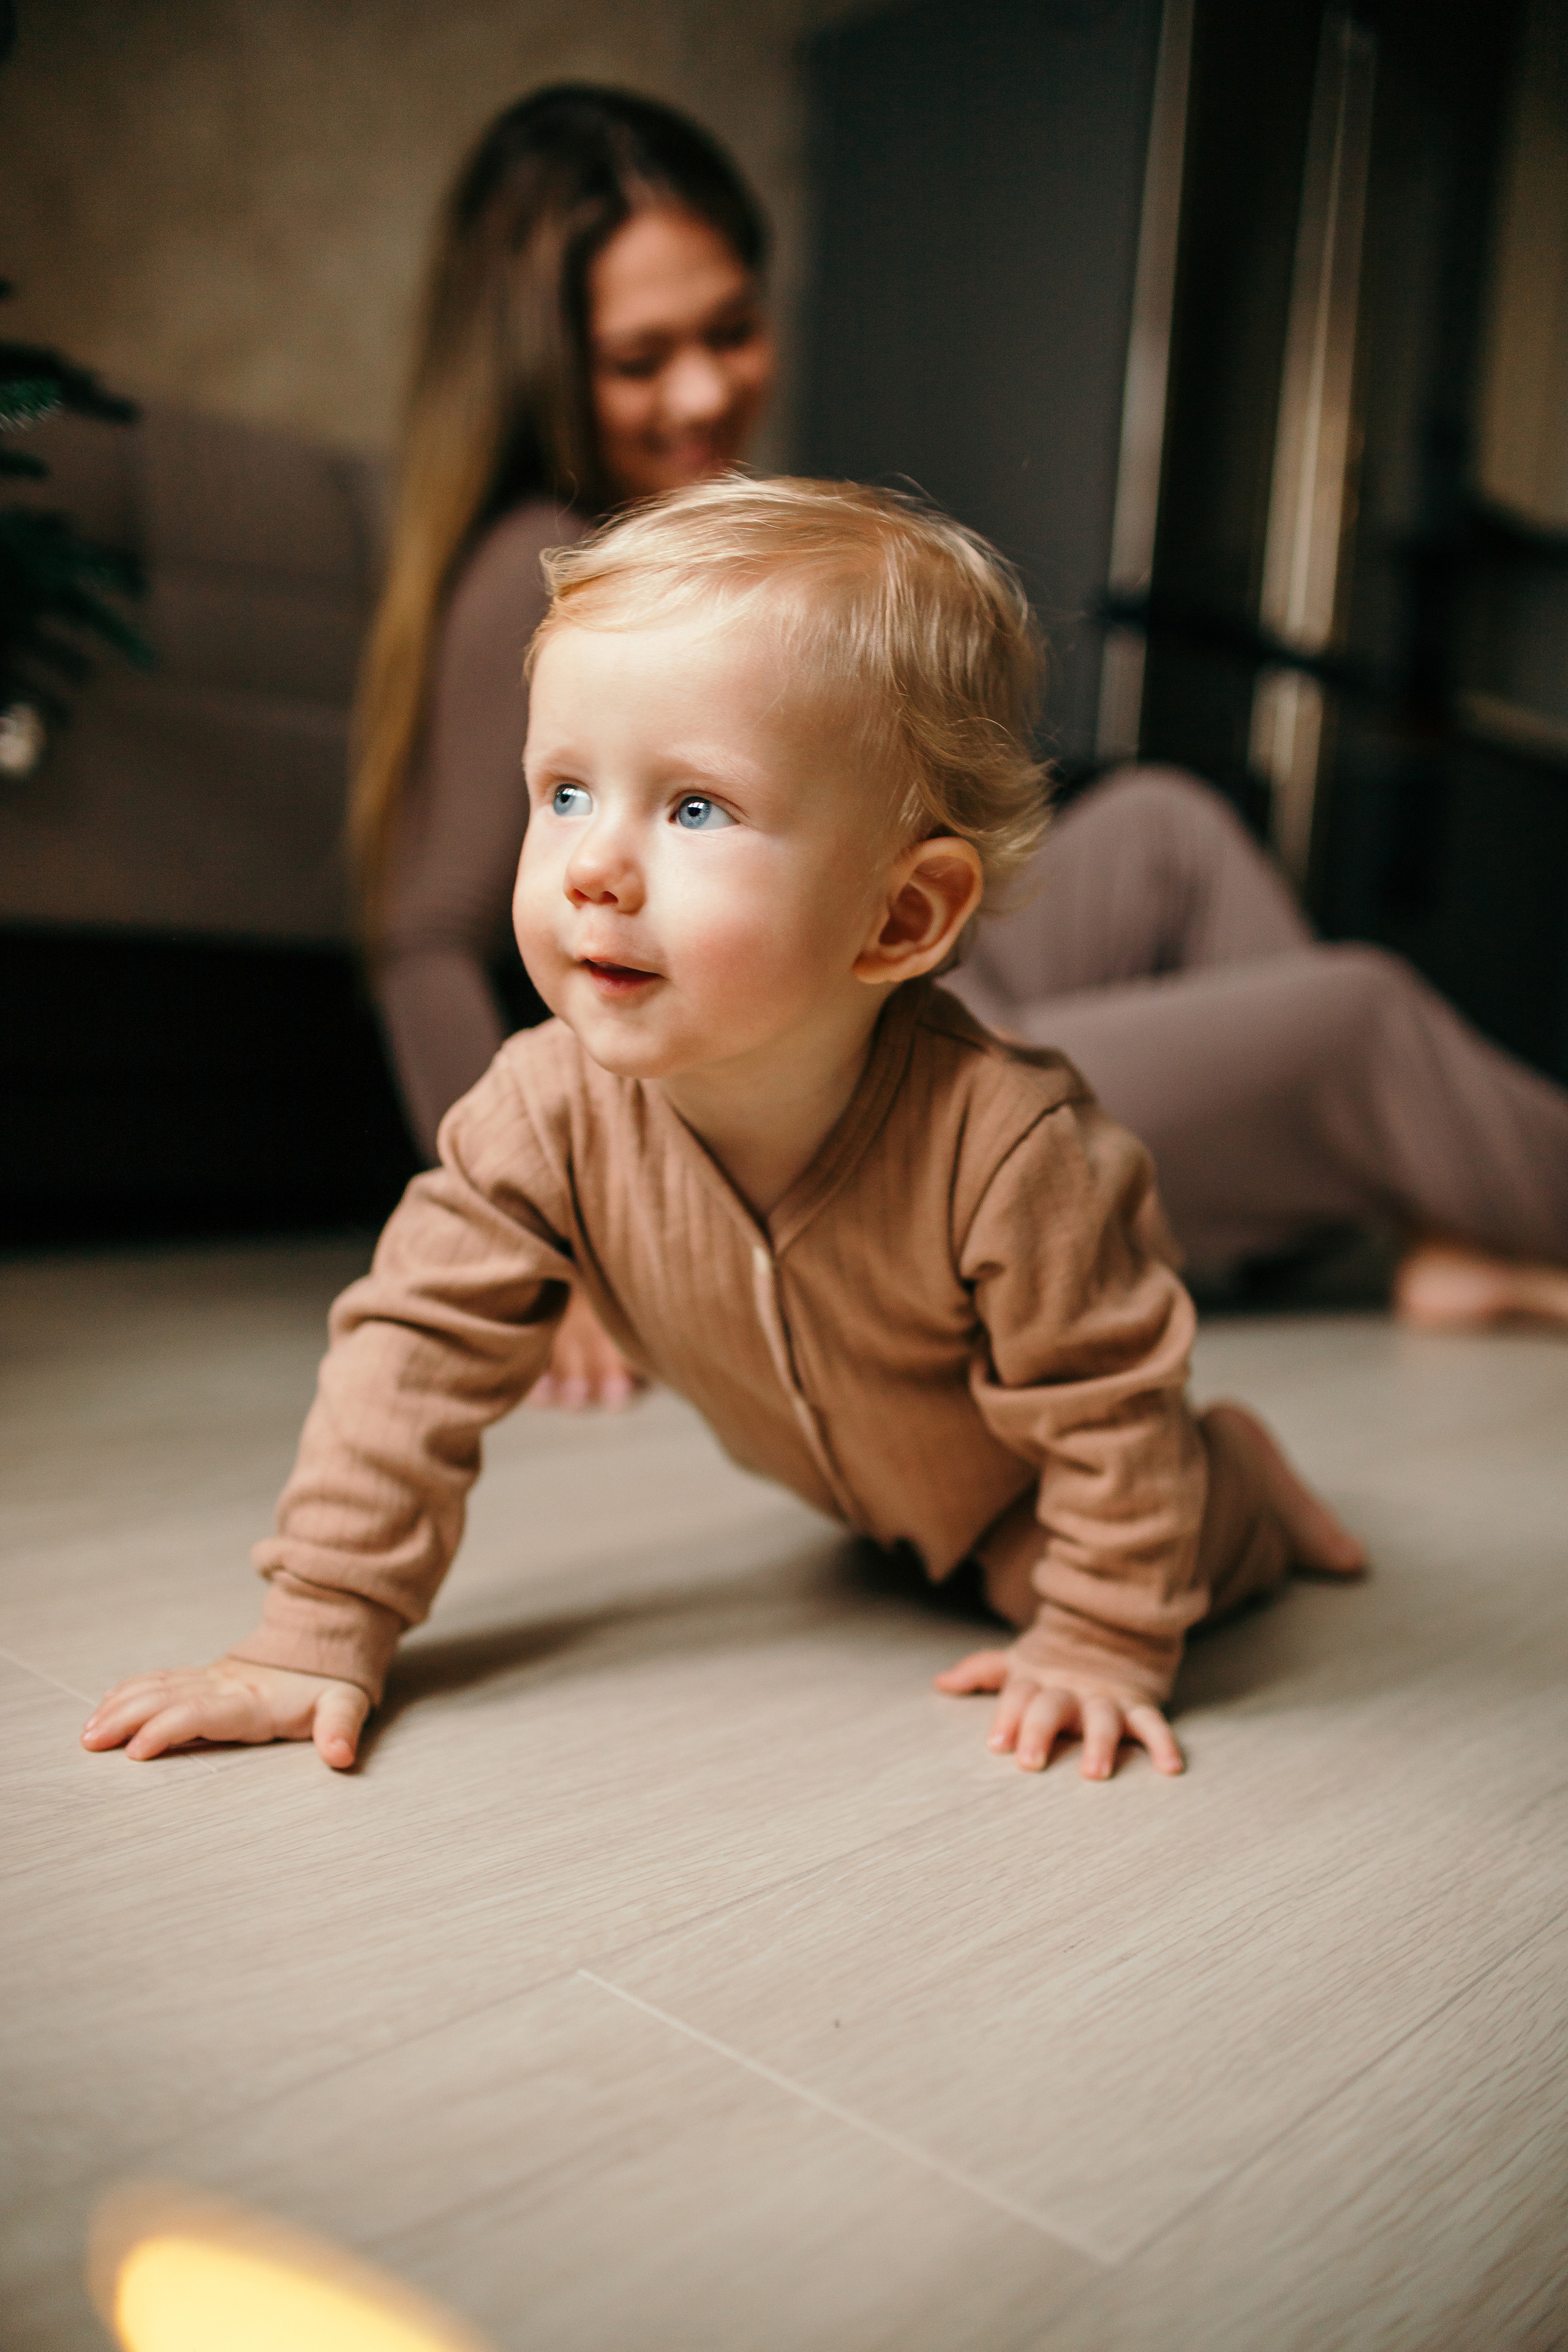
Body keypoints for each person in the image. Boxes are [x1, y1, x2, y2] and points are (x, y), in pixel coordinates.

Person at [81, 478, 1365, 1785]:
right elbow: (411, 1356)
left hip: (1010, 1493)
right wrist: (316, 1630)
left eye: (693, 808)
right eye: (565, 792)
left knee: (1056, 1574)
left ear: (901, 920)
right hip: (858, 1491)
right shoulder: (539, 1111)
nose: (591, 864)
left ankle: (1238, 1493)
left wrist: (1099, 1640)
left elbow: (1101, 1413)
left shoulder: (1009, 1151)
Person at [353, 84, 777, 1403]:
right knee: (1352, 1026)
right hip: (843, 1118)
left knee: (1159, 833)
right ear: (541, 370)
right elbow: (418, 936)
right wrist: (543, 1249)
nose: (704, 391)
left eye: (733, 331)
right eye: (640, 360)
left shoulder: (672, 550)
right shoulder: (538, 571)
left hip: (893, 1009)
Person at [943, 766, 1568, 1327]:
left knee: (1164, 825)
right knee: (1359, 1019)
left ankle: (1430, 1224)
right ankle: (1381, 1179)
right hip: (894, 1088)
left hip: (921, 977)